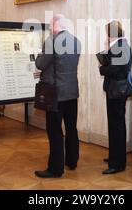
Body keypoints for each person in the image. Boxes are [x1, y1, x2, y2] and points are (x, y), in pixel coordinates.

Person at [34, 14, 81, 178]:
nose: (49, 29)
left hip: (55, 94)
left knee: (54, 130)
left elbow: (40, 64)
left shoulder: (51, 41)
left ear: (55, 26)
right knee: (71, 127)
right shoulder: (76, 41)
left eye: (50, 26)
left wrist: (39, 54)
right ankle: (72, 161)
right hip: (72, 92)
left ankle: (55, 168)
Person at [99, 20, 132, 174]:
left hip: (117, 91)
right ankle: (114, 156)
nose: (107, 35)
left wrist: (102, 68)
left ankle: (118, 164)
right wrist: (107, 50)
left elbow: (115, 70)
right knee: (115, 125)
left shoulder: (120, 47)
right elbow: (114, 65)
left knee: (117, 126)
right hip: (115, 90)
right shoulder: (120, 46)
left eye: (108, 32)